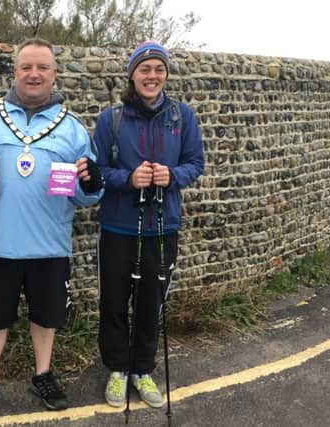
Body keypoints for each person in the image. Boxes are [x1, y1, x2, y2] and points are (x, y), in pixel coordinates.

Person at [0, 38, 103, 421]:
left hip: (49, 245)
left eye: (42, 68)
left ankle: (43, 374)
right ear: (15, 72)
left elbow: (87, 194)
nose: (34, 74)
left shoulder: (73, 129)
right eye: (26, 67)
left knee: (46, 317)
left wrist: (90, 184)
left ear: (54, 74)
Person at [93, 41, 204, 409]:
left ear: (166, 74)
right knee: (113, 301)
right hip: (118, 226)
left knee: (150, 302)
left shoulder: (182, 116)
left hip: (162, 224)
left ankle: (142, 369)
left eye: (158, 69)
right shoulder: (111, 118)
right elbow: (98, 172)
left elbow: (195, 164)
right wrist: (130, 179)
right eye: (145, 69)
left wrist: (169, 175)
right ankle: (117, 369)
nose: (152, 76)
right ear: (132, 74)